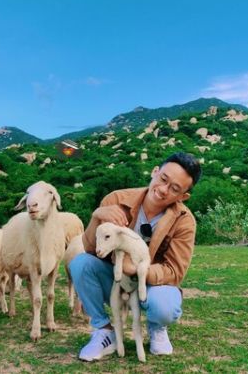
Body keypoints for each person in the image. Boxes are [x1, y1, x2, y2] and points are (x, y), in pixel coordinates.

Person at [69, 152, 202, 361]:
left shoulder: (185, 221)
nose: (163, 190)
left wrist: (139, 269)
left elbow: (175, 271)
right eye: (163, 179)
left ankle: (157, 328)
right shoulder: (115, 199)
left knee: (165, 306)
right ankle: (104, 331)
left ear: (183, 196)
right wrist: (97, 218)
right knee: (80, 263)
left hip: (151, 287)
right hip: (115, 280)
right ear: (155, 172)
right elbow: (90, 249)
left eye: (175, 189)